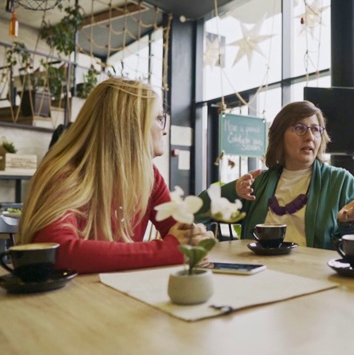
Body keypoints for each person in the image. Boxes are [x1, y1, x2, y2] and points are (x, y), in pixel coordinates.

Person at [17, 78, 214, 274]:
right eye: (158, 119)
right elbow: (57, 250)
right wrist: (169, 250)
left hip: (115, 293)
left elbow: (181, 234)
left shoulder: (149, 175)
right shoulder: (67, 174)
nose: (164, 131)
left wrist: (194, 239)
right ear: (130, 126)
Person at [198, 100, 354, 249]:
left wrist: (351, 223)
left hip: (315, 279)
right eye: (300, 128)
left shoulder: (341, 182)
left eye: (315, 129)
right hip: (260, 275)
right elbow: (198, 208)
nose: (309, 137)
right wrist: (234, 192)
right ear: (279, 135)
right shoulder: (257, 182)